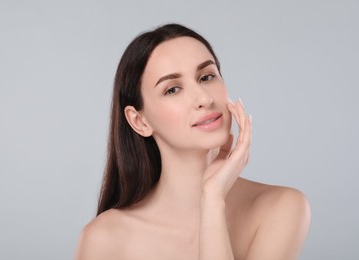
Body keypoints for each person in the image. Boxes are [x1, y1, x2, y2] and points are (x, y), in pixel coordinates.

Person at [75, 23, 311, 260]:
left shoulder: (281, 207)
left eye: (207, 77)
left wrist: (212, 198)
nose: (204, 98)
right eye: (173, 89)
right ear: (139, 121)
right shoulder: (104, 239)